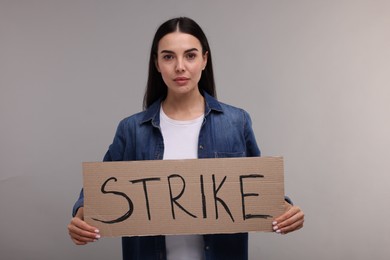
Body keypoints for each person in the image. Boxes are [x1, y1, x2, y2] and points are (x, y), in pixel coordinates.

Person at [68, 17, 304, 260]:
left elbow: (259, 188)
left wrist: (286, 210)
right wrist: (81, 216)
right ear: (157, 63)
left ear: (204, 59)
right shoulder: (131, 129)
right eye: (168, 57)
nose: (180, 66)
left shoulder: (237, 121)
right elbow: (98, 194)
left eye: (190, 55)